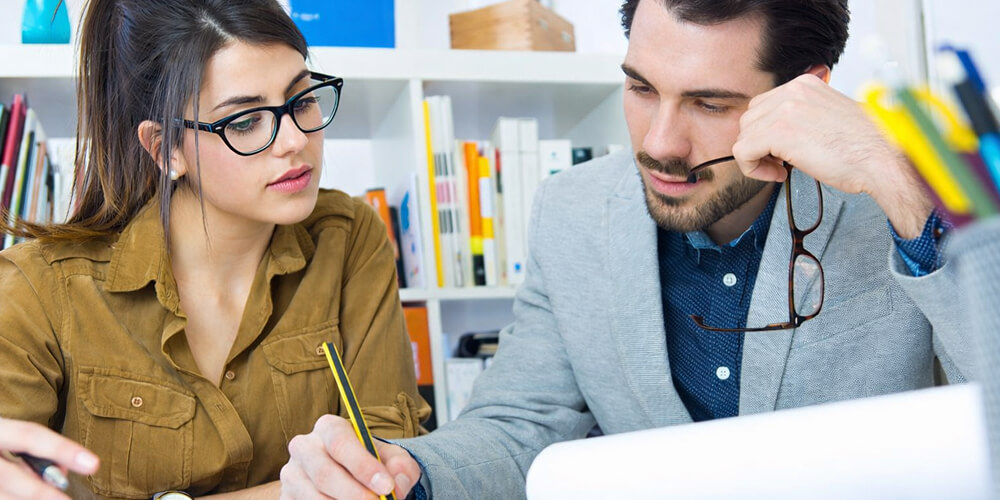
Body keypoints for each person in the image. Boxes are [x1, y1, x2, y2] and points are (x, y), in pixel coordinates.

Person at [280, 0, 974, 499]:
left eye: (709, 103)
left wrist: (904, 186)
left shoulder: (915, 193)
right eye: (642, 88)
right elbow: (520, 426)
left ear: (808, 92)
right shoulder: (571, 210)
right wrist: (409, 472)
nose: (659, 143)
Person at [0, 0, 429, 498]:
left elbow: (388, 469)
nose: (294, 140)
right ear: (167, 149)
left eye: (302, 99)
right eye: (245, 121)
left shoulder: (350, 236)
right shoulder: (39, 289)